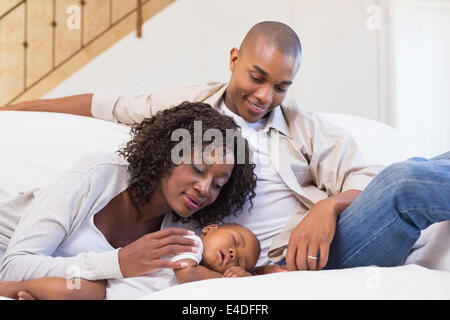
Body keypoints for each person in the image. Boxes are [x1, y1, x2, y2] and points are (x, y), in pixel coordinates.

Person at [2, 21, 449, 272]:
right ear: (234, 59)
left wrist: (326, 209)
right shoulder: (183, 112)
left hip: (327, 243)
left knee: (425, 169)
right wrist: (8, 110)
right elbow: (102, 104)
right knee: (407, 182)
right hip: (278, 264)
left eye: (280, 87)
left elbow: (366, 183)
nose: (264, 97)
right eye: (257, 77)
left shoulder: (304, 126)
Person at [0, 102, 257, 295]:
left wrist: (258, 272)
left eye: (218, 185)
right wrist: (118, 262)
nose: (204, 189)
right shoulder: (101, 174)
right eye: (198, 169)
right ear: (167, 155)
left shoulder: (180, 234)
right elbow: (13, 266)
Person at [0, 223, 260, 300]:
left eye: (242, 261)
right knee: (70, 290)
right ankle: (11, 289)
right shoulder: (189, 243)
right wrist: (232, 279)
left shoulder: (208, 280)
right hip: (108, 288)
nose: (235, 253)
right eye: (234, 240)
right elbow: (186, 275)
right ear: (210, 229)